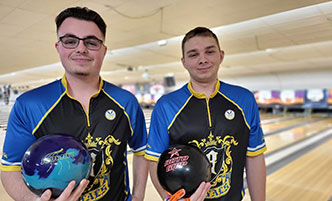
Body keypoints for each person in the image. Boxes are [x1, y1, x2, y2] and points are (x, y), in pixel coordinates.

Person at [0, 7, 148, 201]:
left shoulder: (126, 101)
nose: (81, 48)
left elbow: (141, 151)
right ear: (58, 47)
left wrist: (138, 196)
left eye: (91, 42)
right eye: (70, 41)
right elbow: (10, 167)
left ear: (103, 51)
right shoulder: (29, 104)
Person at [145, 27, 267, 201]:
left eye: (209, 51)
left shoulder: (244, 99)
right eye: (193, 54)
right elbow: (155, 160)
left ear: (221, 55)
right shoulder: (166, 105)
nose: (203, 59)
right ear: (184, 62)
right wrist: (170, 199)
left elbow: (254, 156)